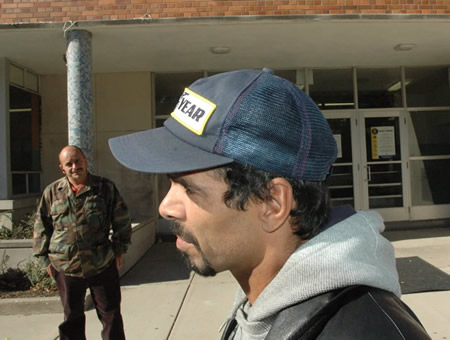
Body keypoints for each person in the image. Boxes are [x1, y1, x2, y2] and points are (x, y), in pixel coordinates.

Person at [109, 69, 430, 339]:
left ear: (273, 203)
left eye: (188, 189)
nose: (166, 206)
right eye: (170, 183)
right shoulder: (261, 303)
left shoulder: (366, 332)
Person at [33, 145, 132, 340]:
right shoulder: (52, 192)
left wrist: (119, 250)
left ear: (86, 161)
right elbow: (41, 226)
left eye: (77, 161)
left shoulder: (105, 188)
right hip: (66, 266)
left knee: (111, 315)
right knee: (72, 317)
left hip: (101, 263)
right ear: (62, 168)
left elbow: (122, 220)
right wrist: (45, 260)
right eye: (68, 164)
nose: (74, 166)